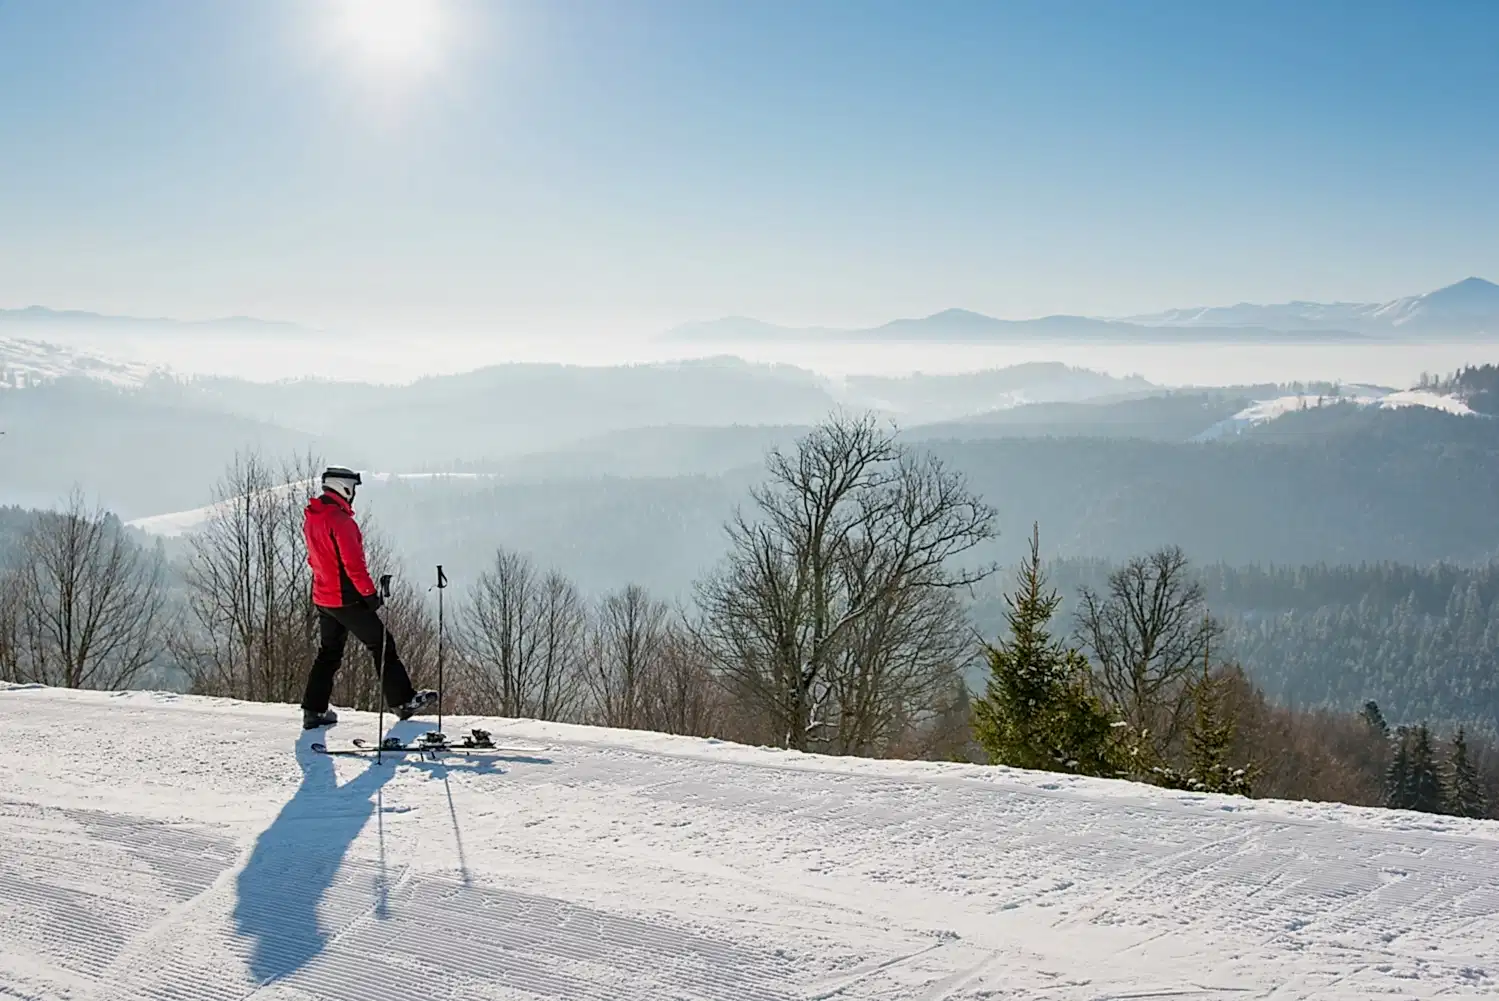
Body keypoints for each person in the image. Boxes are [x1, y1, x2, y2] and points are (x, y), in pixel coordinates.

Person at [300, 465, 436, 730]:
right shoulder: (341, 521)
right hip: (346, 598)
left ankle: (313, 711)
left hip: (323, 596)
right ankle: (403, 701)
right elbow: (354, 565)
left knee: (328, 653)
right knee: (382, 644)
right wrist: (369, 595)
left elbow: (313, 558)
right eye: (353, 489)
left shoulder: (313, 517)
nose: (354, 495)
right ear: (345, 488)